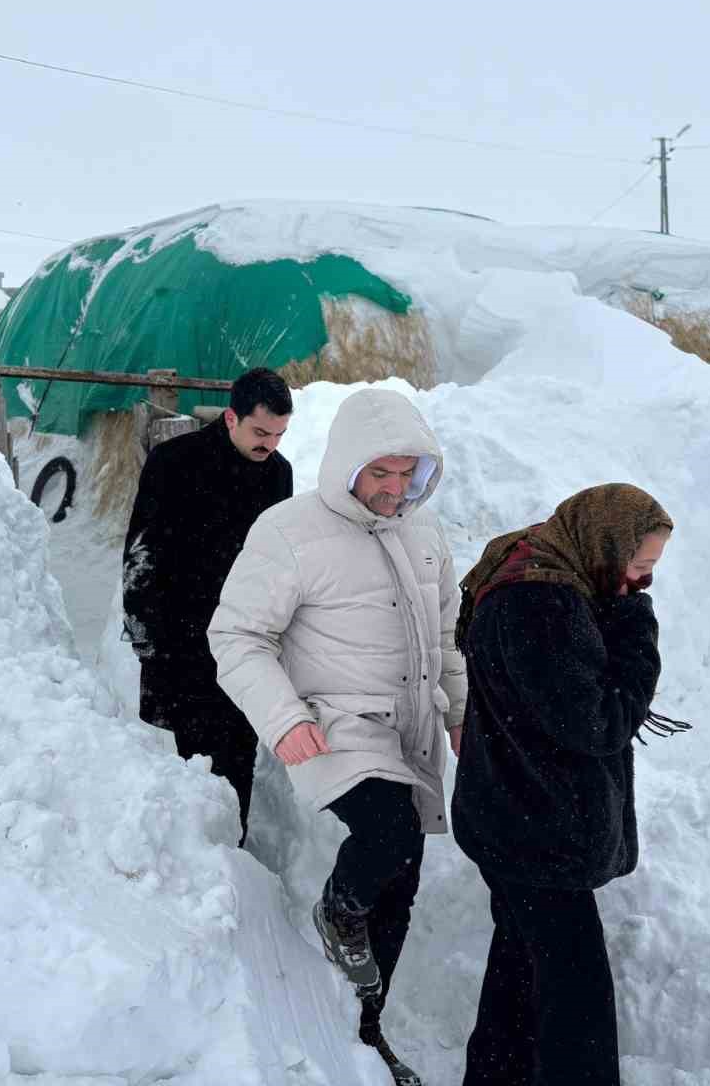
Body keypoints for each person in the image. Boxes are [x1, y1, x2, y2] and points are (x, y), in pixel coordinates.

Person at [208, 388, 465, 1086]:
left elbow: (446, 638)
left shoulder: (424, 532)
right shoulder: (289, 530)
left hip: (410, 729)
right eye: (380, 472)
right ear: (348, 463)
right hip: (335, 726)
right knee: (386, 835)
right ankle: (335, 911)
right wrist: (285, 719)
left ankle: (364, 1032)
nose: (394, 488)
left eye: (408, 473)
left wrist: (459, 713)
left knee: (403, 885)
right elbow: (236, 635)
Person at [452, 484, 677, 1086]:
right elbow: (600, 722)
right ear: (603, 544)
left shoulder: (532, 567)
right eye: (639, 565)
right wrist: (635, 632)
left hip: (512, 814)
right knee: (577, 998)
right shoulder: (541, 604)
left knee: (522, 971)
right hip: (536, 833)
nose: (641, 582)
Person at [121, 367, 294, 843]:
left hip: (244, 640)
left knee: (239, 755)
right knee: (187, 766)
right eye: (261, 432)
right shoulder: (174, 461)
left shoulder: (279, 474)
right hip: (180, 639)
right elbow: (142, 552)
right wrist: (144, 639)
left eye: (279, 434)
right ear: (230, 417)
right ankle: (188, 866)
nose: (270, 445)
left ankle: (234, 859)